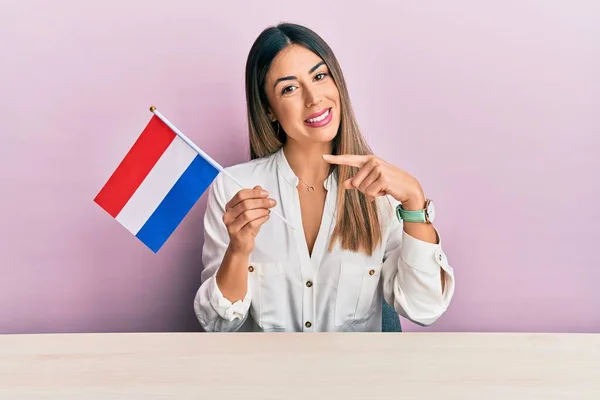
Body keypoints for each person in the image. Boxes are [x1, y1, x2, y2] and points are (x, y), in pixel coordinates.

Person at [193, 22, 455, 332]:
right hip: (267, 377)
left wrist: (414, 201)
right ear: (270, 110)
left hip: (353, 378)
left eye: (319, 76)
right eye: (289, 88)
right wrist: (238, 249)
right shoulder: (233, 188)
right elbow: (217, 326)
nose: (313, 97)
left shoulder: (380, 193)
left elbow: (424, 308)